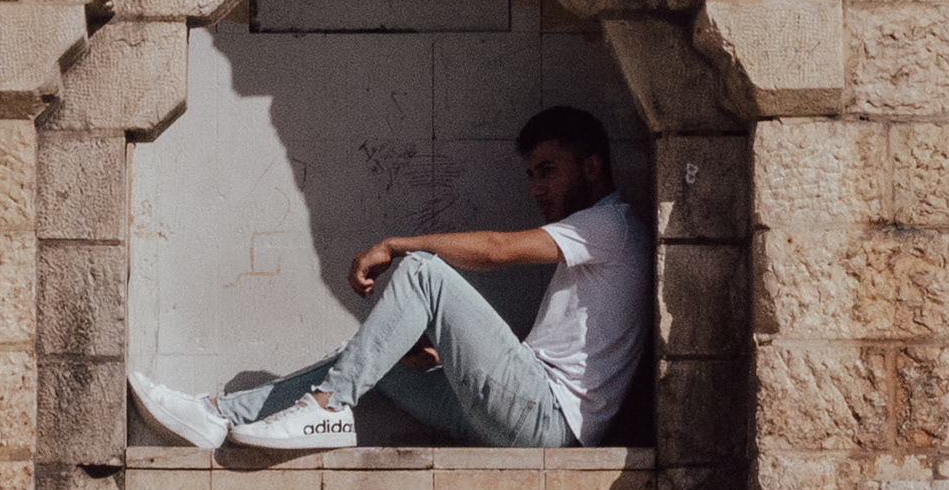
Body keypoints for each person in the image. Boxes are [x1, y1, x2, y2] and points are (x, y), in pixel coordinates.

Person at [130, 106, 650, 455]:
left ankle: (326, 408)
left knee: (423, 271)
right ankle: (217, 415)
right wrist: (449, 354)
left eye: (547, 170)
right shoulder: (602, 234)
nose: (535, 188)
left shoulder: (612, 224)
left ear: (591, 167)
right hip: (522, 414)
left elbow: (497, 250)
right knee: (368, 356)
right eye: (531, 174)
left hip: (547, 420)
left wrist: (396, 245)